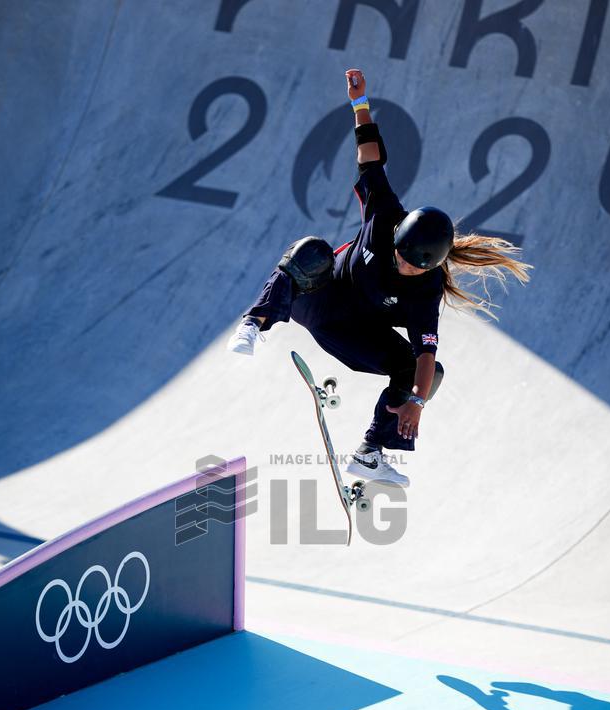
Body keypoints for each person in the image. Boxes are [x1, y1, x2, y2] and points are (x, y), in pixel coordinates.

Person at [227, 69, 531, 486]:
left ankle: (370, 452)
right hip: (316, 296)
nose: (403, 266)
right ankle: (254, 322)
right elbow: (370, 158)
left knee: (424, 373)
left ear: (430, 267)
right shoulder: (386, 214)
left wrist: (417, 403)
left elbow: (425, 353)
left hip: (354, 333)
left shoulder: (426, 290)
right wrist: (360, 104)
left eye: (413, 267)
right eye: (400, 256)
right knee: (311, 250)